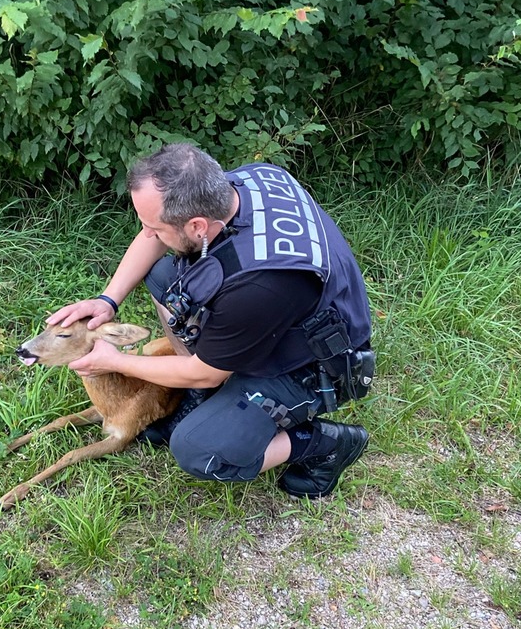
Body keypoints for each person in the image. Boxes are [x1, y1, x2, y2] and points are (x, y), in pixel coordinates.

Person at [48, 141, 373, 499]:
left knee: (198, 448)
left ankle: (326, 444)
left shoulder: (259, 287)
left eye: (155, 228)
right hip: (273, 316)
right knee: (164, 276)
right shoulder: (245, 182)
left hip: (314, 362)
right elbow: (151, 238)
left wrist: (118, 362)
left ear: (198, 226)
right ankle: (203, 396)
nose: (149, 235)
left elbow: (208, 370)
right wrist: (107, 301)